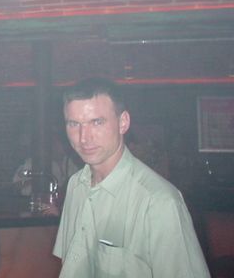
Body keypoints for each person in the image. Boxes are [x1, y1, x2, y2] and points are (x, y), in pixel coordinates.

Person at [54, 77, 210, 278]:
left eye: (97, 122)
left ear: (123, 123)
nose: (84, 137)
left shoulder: (158, 201)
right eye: (74, 124)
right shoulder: (76, 184)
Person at [12, 133, 80, 216]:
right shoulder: (32, 162)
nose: (57, 148)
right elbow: (16, 186)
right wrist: (36, 182)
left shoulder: (74, 162)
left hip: (63, 209)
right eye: (54, 145)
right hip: (32, 210)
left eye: (59, 145)